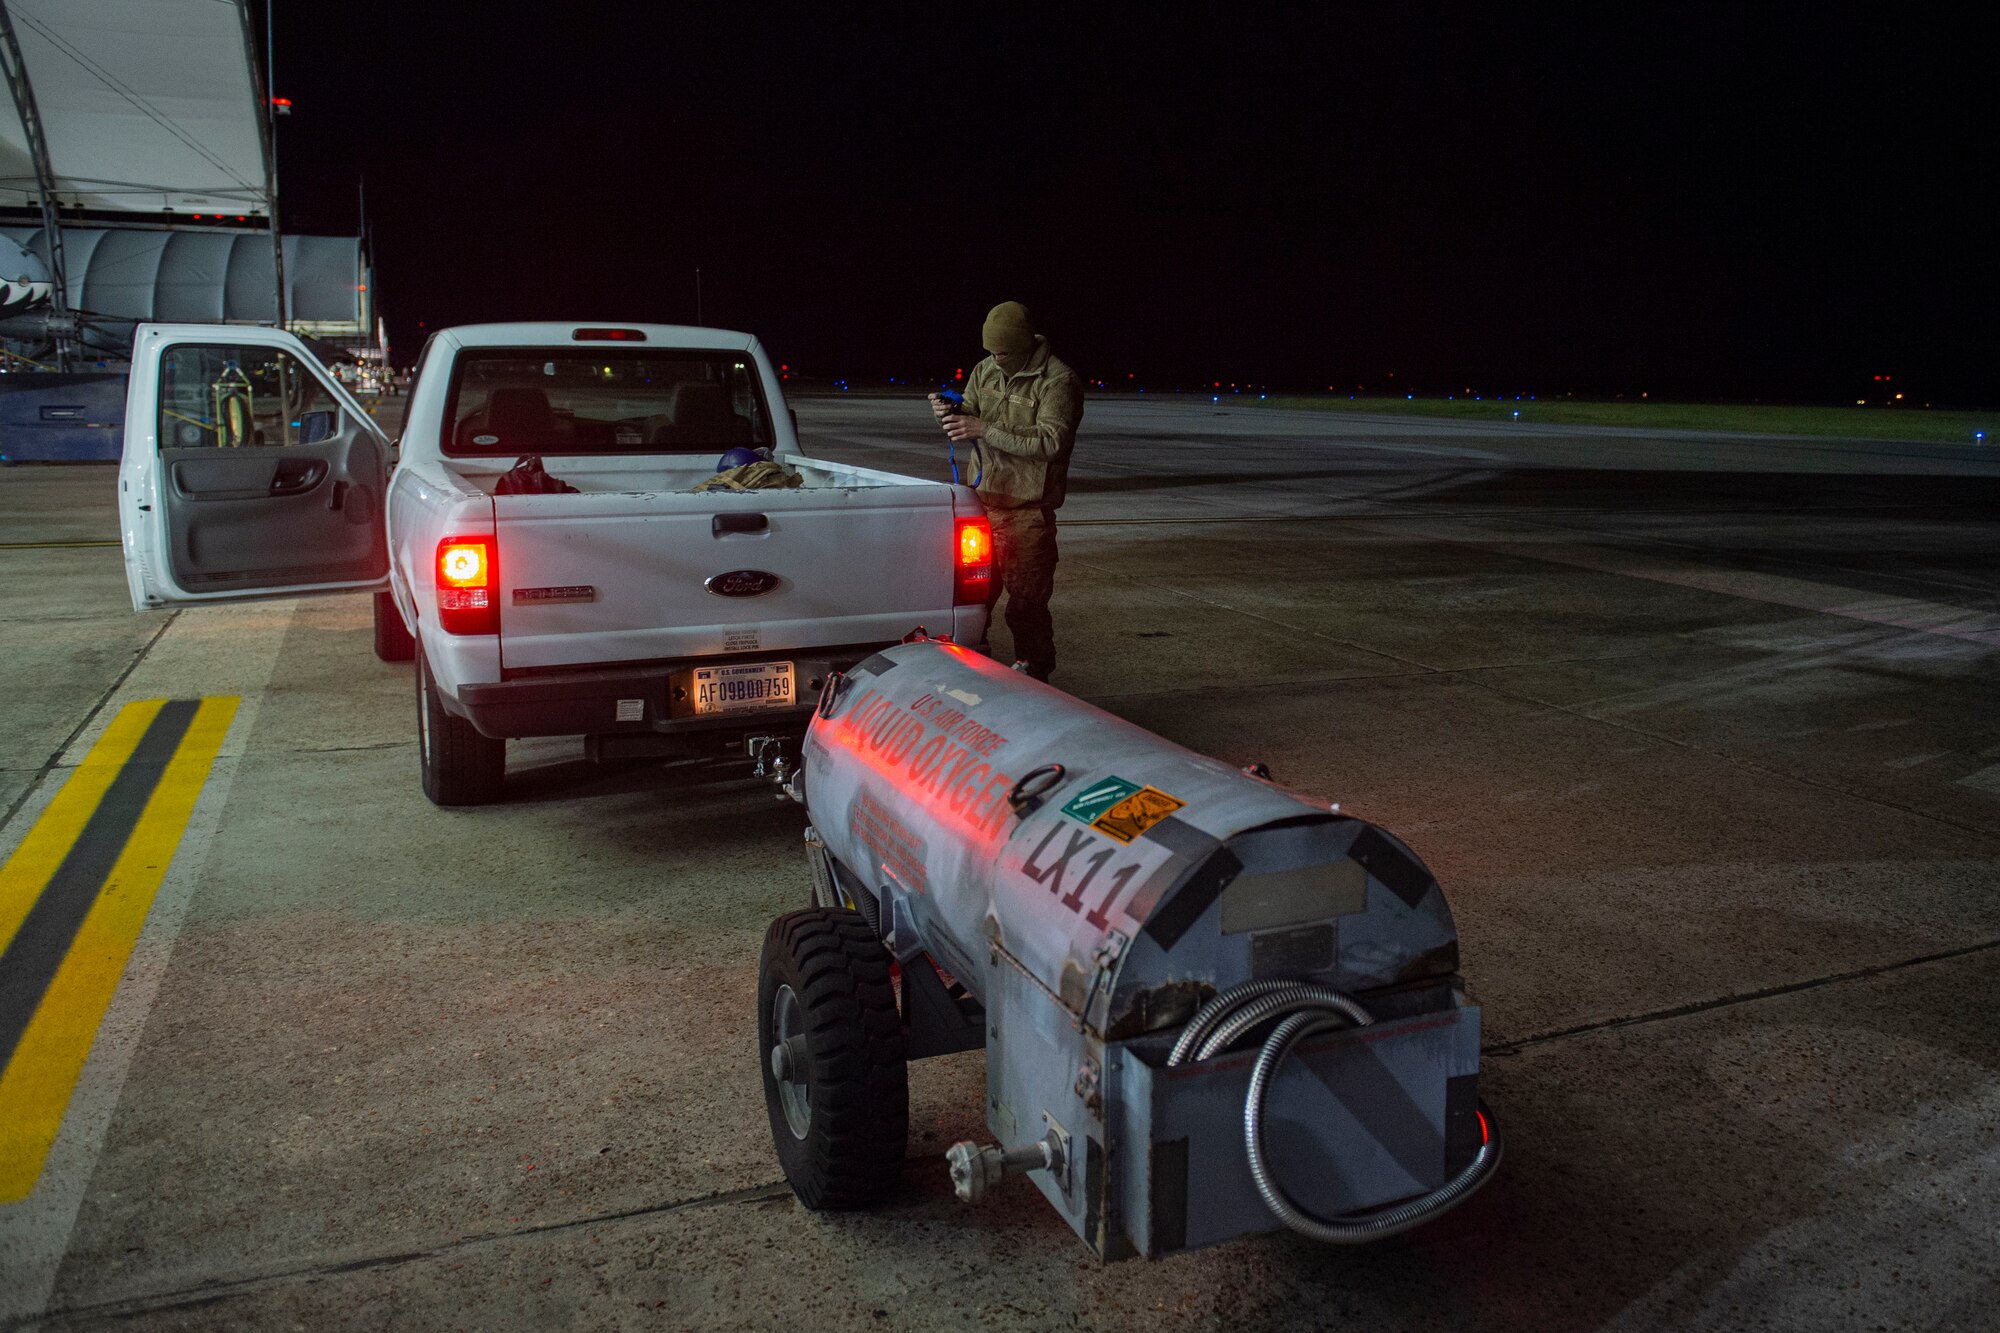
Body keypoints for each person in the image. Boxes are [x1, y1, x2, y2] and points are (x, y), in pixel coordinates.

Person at [929, 302, 1083, 681]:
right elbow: (971, 412)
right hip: (981, 505)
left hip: (1026, 512)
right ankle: (970, 667)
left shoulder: (1057, 381)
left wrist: (983, 429)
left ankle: (1035, 673)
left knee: (1026, 605)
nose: (995, 360)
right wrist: (948, 412)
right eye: (990, 352)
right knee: (974, 599)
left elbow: (1051, 443)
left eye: (1003, 353)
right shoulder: (986, 370)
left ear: (1026, 345)